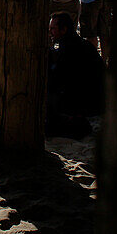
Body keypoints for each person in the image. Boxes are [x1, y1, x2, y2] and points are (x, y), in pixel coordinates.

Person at [46, 11, 105, 139]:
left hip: (87, 103)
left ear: (64, 30)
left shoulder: (70, 50)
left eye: (53, 29)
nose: (50, 32)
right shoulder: (79, 45)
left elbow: (60, 80)